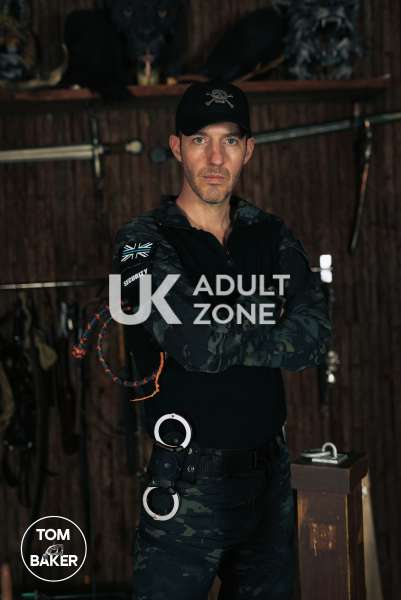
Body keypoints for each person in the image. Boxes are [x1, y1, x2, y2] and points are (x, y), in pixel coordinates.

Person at [112, 81, 331, 600]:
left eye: (229, 140)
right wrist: (266, 323)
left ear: (248, 150)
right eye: (200, 140)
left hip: (268, 484)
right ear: (176, 147)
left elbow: (313, 338)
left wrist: (223, 327)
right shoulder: (140, 242)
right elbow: (196, 346)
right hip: (185, 488)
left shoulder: (270, 234)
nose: (215, 158)